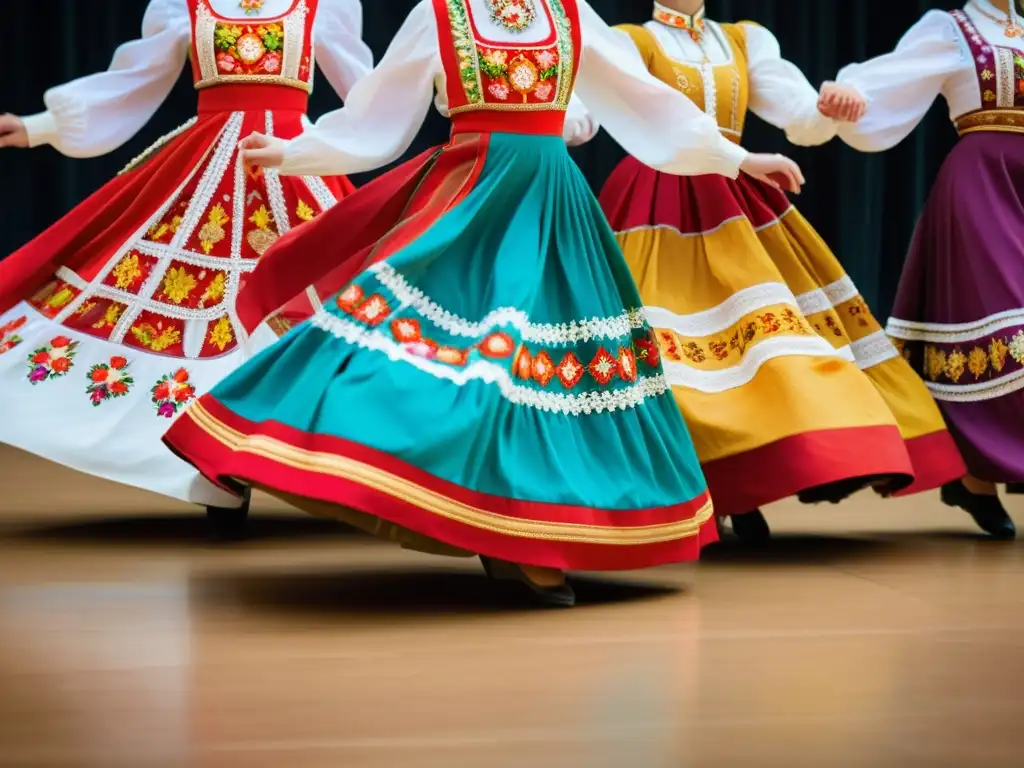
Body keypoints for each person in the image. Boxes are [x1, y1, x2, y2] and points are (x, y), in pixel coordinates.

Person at [161, 0, 805, 606]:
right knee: (452, 356)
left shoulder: (567, 13)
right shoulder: (441, 14)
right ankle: (297, 449)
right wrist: (298, 153)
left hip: (552, 209)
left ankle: (527, 534)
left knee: (536, 368)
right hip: (469, 203)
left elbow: (647, 104)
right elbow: (379, 116)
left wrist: (735, 156)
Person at [567, 1, 966, 542]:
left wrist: (829, 106)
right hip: (653, 204)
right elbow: (583, 110)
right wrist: (544, 115)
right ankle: (698, 490)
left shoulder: (743, 41)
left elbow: (801, 117)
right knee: (664, 353)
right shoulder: (628, 42)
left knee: (771, 350)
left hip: (734, 199)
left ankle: (756, 478)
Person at [0, 0, 372, 536]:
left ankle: (335, 462)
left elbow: (372, 96)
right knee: (199, 312)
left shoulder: (325, 5)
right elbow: (135, 78)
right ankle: (214, 473)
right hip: (204, 174)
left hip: (294, 167)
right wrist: (40, 126)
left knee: (314, 310)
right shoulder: (186, 5)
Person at [819, 0, 1023, 539]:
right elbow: (888, 76)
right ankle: (977, 473)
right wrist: (850, 93)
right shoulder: (951, 27)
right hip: (984, 185)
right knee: (1011, 331)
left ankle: (975, 478)